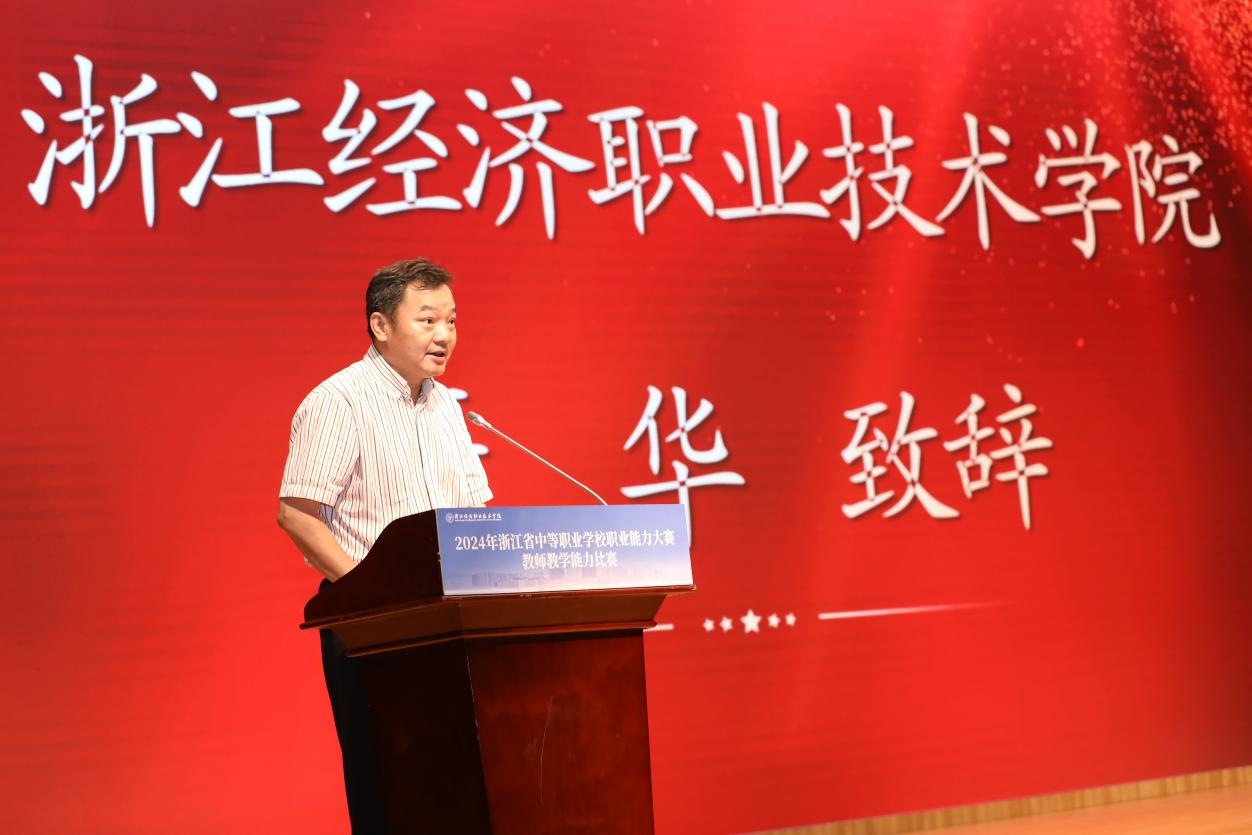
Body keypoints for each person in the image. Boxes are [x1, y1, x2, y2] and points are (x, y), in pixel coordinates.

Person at [277, 258, 491, 833]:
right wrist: (373, 598)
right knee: (391, 791)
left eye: (452, 320)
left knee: (454, 789)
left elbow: (474, 511)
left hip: (451, 623)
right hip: (372, 629)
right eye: (428, 319)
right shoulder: (339, 401)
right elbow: (296, 514)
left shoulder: (446, 405)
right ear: (380, 325)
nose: (444, 335)